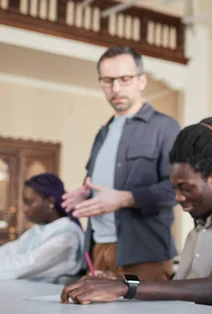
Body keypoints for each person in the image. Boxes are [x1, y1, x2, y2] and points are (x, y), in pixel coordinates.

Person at [60, 117, 212, 307]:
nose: (178, 198)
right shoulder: (198, 230)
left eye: (185, 188)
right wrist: (116, 281)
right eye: (175, 189)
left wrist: (125, 287)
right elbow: (177, 288)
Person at [61, 46, 180, 282]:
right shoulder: (102, 134)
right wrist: (86, 195)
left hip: (145, 253)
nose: (115, 89)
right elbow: (99, 185)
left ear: (141, 81)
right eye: (108, 81)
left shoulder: (165, 128)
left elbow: (176, 190)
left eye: (124, 79)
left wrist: (125, 198)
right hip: (98, 249)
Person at [0, 173, 83, 281]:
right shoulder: (38, 230)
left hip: (49, 294)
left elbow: (24, 266)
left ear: (50, 202)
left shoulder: (67, 236)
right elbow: (8, 251)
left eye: (29, 202)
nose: (24, 209)